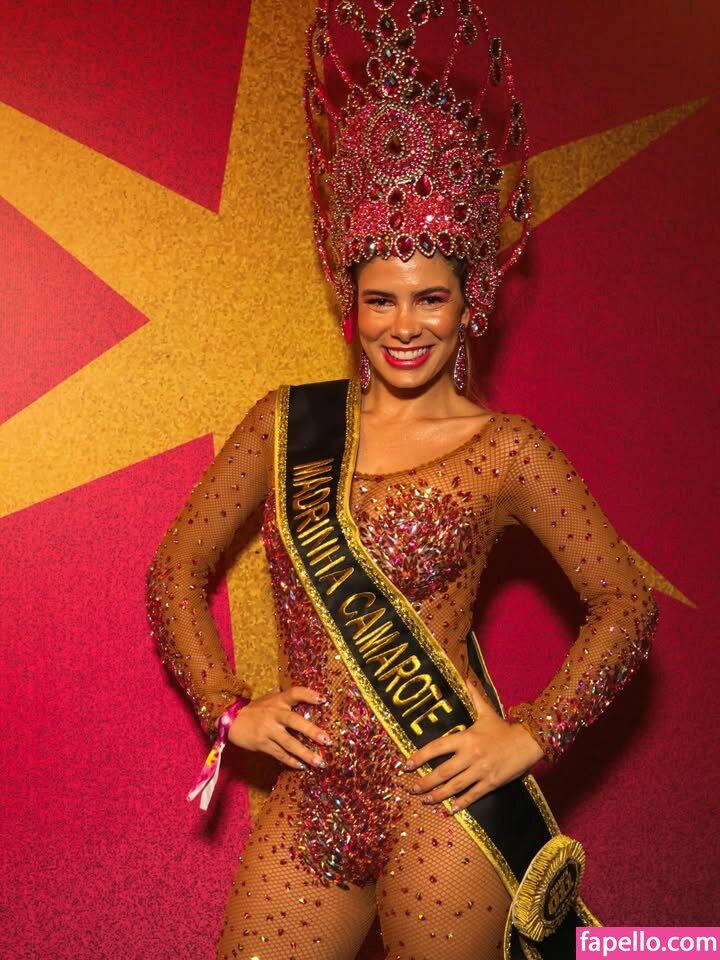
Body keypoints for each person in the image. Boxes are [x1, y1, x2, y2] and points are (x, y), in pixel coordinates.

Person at [145, 4, 659, 959]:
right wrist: (228, 707)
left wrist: (531, 734)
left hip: (446, 803)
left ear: (471, 302)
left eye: (431, 298)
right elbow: (174, 569)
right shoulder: (289, 425)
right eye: (380, 298)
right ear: (350, 299)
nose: (404, 324)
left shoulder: (507, 448)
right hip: (312, 802)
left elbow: (625, 604)